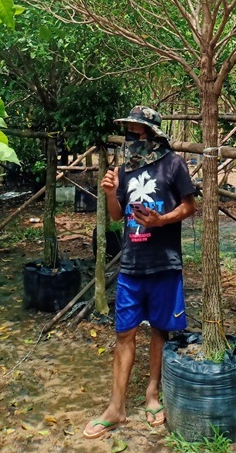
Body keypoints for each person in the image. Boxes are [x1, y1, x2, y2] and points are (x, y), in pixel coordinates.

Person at [83, 106, 196, 440]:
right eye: (128, 131)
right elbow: (118, 216)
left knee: (159, 331)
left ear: (152, 134)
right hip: (131, 264)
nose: (130, 138)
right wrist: (108, 192)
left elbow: (190, 206)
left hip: (164, 263)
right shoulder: (124, 171)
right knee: (124, 334)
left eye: (136, 131)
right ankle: (116, 407)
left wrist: (160, 220)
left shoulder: (174, 164)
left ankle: (151, 395)